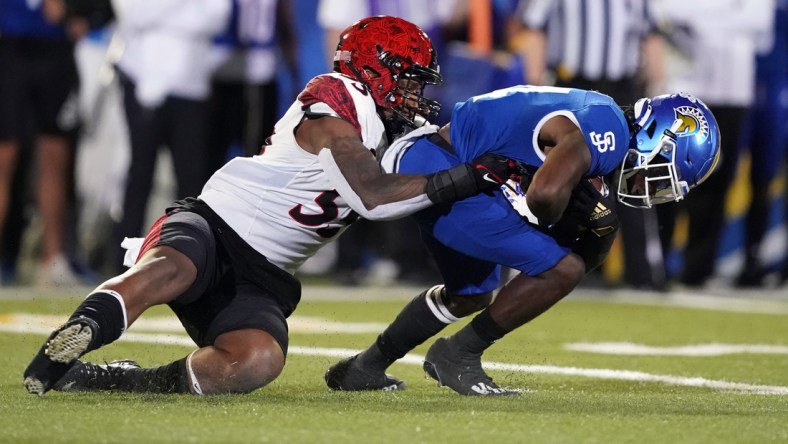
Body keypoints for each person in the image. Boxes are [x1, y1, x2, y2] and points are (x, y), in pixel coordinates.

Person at [22, 16, 520, 396]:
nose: (416, 94)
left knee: (256, 361)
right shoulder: (335, 98)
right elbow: (372, 195)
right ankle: (75, 337)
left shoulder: (403, 133)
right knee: (169, 269)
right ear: (375, 71)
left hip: (264, 273)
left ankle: (112, 382)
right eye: (409, 80)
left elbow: (436, 177)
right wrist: (469, 177)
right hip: (215, 224)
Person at [324, 87, 721, 396]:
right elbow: (545, 196)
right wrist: (553, 222)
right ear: (657, 138)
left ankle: (365, 368)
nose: (646, 186)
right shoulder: (610, 134)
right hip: (447, 170)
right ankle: (457, 355)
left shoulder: (603, 115)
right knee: (563, 268)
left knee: (471, 295)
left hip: (441, 162)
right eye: (659, 173)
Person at [511, 0, 668, 290]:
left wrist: (658, 87)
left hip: (623, 88)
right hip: (574, 88)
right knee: (569, 176)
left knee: (633, 176)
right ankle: (567, 265)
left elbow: (651, 35)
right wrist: (535, 84)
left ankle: (643, 272)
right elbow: (534, 29)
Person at [651, 0, 773, 287]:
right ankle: (658, 264)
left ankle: (698, 269)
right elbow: (664, 12)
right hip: (684, 89)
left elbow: (758, 26)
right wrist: (725, 14)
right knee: (668, 178)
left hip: (732, 92)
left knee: (717, 184)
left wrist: (697, 19)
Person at [106, 0, 232, 275]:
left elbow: (215, 18)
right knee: (139, 176)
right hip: (142, 81)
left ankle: (193, 259)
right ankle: (120, 263)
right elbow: (132, 14)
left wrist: (159, 14)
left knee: (191, 181)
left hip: (191, 86)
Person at [0, 0, 83, 287]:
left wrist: (77, 12)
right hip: (9, 46)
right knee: (4, 158)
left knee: (55, 157)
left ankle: (52, 259)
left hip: (54, 50)